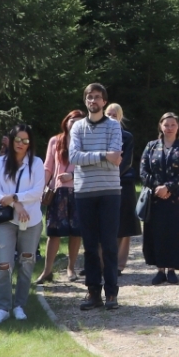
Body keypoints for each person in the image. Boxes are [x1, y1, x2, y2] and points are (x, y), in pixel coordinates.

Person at [69, 84, 125, 311]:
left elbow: (117, 157)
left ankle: (111, 293)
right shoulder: (77, 128)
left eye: (97, 98)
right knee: (90, 245)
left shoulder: (113, 126)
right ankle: (93, 292)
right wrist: (103, 155)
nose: (93, 101)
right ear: (85, 101)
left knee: (109, 245)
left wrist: (90, 157)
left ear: (104, 102)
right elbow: (74, 156)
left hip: (109, 192)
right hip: (84, 192)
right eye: (89, 97)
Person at [0, 125, 45, 324]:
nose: (21, 144)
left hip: (31, 221)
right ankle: (4, 307)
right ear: (11, 140)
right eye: (18, 140)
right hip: (7, 220)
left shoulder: (36, 163)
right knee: (4, 264)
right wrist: (16, 204)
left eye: (26, 141)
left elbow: (38, 192)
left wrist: (13, 197)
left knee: (26, 262)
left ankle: (19, 305)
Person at [139, 113, 179, 283]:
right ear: (160, 126)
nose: (169, 128)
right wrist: (158, 187)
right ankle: (160, 269)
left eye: (173, 125)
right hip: (155, 199)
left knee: (175, 233)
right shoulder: (151, 146)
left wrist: (168, 187)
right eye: (166, 125)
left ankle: (172, 269)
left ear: (178, 127)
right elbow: (143, 171)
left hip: (176, 198)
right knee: (156, 233)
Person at [40, 111, 84, 284]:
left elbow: (91, 168)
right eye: (72, 121)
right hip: (57, 193)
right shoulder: (55, 141)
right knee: (54, 234)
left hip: (79, 192)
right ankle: (47, 271)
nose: (74, 124)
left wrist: (72, 176)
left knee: (76, 233)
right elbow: (48, 167)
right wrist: (42, 186)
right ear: (66, 122)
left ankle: (71, 268)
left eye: (79, 122)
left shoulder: (86, 142)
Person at [104, 103, 140, 273]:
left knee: (124, 225)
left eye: (114, 114)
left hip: (123, 182)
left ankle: (119, 264)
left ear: (120, 116)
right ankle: (100, 262)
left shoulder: (127, 136)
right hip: (102, 182)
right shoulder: (99, 135)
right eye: (108, 114)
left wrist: (113, 176)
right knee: (102, 224)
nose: (111, 116)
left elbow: (126, 162)